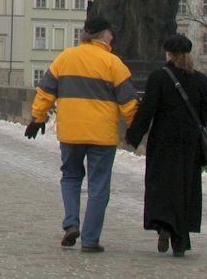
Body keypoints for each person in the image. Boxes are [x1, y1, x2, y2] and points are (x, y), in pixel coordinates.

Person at [25, 17, 139, 253]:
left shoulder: (65, 58)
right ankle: (90, 239)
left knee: (70, 177)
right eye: (110, 34)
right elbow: (129, 103)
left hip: (71, 131)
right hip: (102, 135)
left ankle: (70, 224)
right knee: (98, 185)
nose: (112, 38)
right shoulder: (113, 63)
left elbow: (45, 91)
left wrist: (38, 118)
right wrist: (135, 128)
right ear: (103, 35)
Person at [125, 34, 207, 257]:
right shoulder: (200, 79)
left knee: (161, 184)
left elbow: (148, 111)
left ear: (169, 54)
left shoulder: (159, 77)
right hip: (190, 143)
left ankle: (163, 225)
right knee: (186, 187)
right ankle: (181, 239)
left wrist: (133, 135)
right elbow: (206, 113)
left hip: (163, 140)